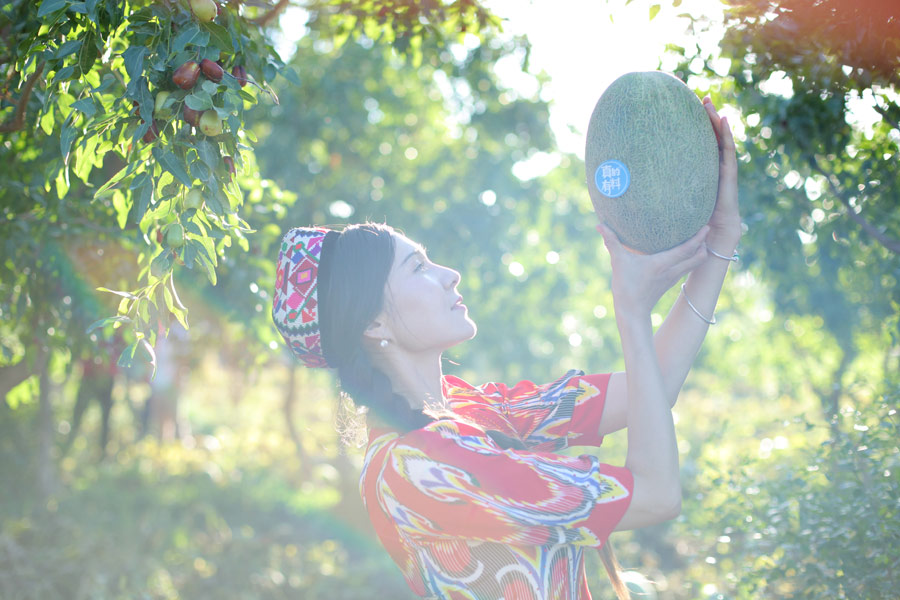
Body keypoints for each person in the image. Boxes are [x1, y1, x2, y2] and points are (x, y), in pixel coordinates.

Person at [271, 98, 739, 600]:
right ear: (374, 322)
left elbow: (653, 388)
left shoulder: (469, 410)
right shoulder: (419, 469)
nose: (448, 275)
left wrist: (720, 241)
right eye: (418, 269)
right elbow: (656, 494)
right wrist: (630, 310)